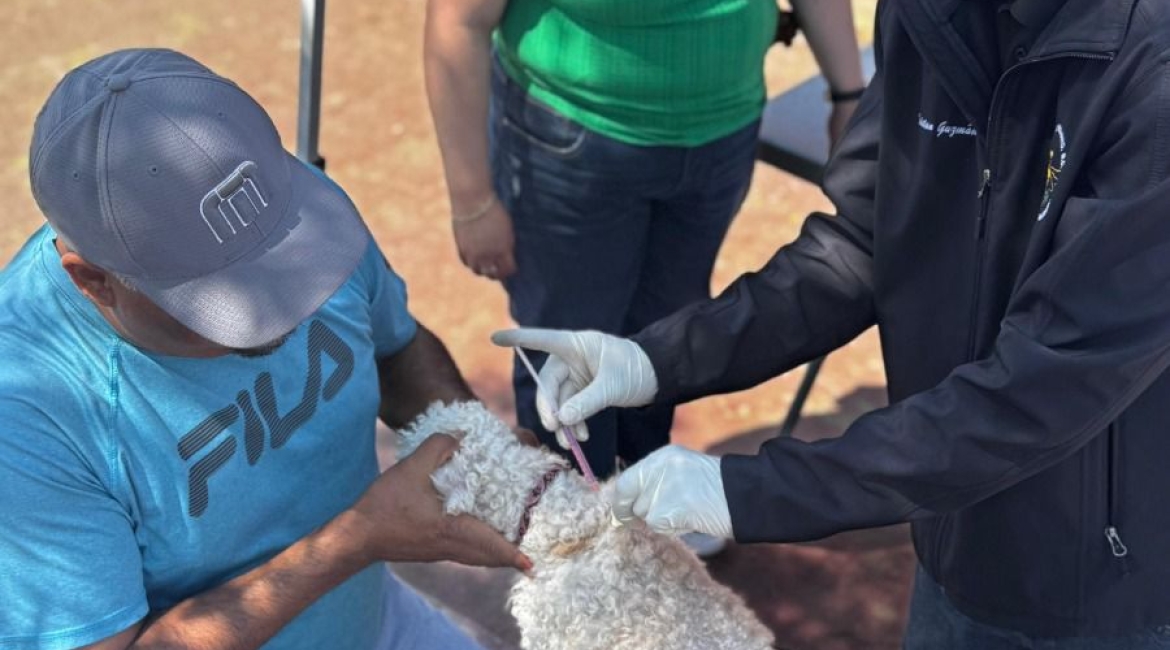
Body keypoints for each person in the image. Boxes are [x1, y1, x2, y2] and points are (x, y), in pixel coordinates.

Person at [494, 0, 1170, 646]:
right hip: (952, 529)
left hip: (1107, 586)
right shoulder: (932, 14)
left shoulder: (1151, 70)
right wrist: (658, 359)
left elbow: (1045, 386)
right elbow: (860, 244)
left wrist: (746, 492)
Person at [0, 49, 530, 650]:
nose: (283, 306)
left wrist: (480, 446)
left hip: (377, 621)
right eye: (221, 297)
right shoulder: (28, 413)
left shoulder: (288, 210)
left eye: (282, 263)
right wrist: (357, 538)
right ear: (94, 281)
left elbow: (395, 348)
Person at [423, 0, 865, 484]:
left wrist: (849, 92)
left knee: (667, 335)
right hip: (569, 138)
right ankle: (572, 518)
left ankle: (640, 495)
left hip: (724, 133)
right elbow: (458, 19)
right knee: (569, 358)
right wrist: (472, 200)